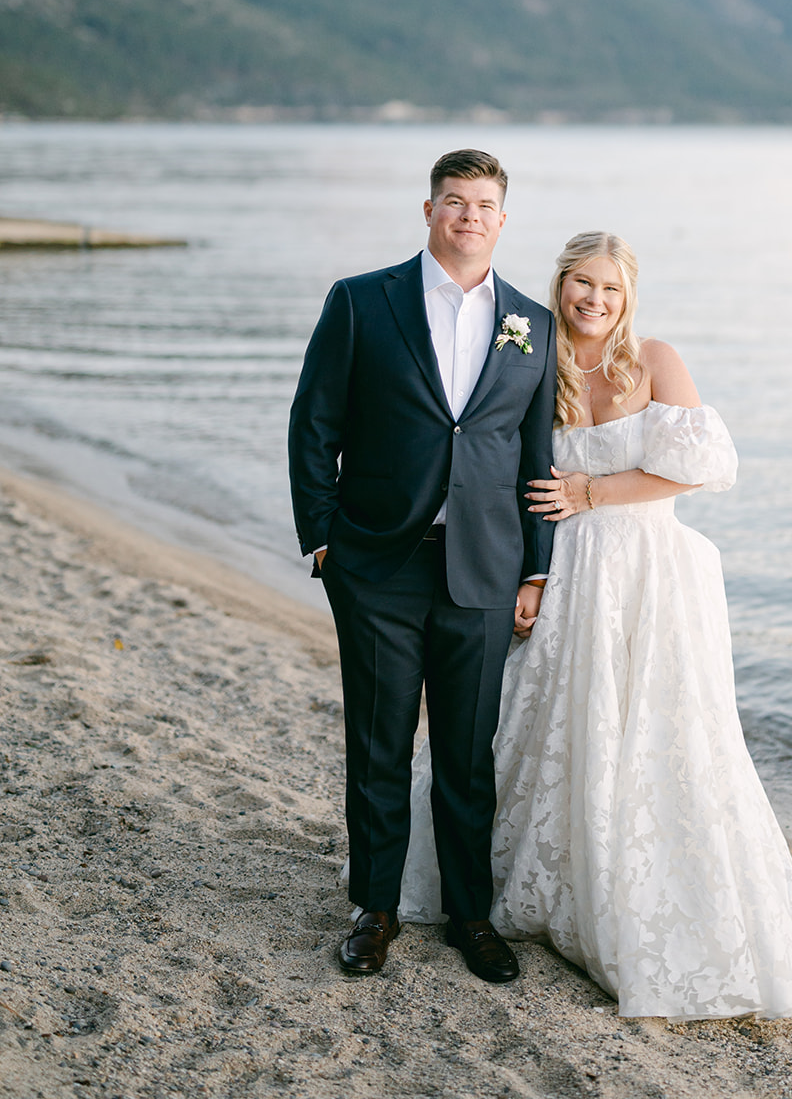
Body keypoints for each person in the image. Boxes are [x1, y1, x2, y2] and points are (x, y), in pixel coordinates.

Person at [399, 230, 792, 1018]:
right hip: (562, 572)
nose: (594, 301)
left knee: (659, 732)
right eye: (581, 285)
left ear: (629, 298)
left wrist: (593, 492)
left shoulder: (654, 360)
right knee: (542, 721)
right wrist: (524, 572)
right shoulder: (533, 358)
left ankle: (646, 893)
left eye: (610, 290)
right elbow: (496, 465)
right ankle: (515, 888)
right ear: (560, 288)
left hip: (648, 570)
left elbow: (701, 468)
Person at [288, 149, 556, 983]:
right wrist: (323, 539)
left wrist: (535, 571)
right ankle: (375, 908)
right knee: (378, 742)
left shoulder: (531, 324)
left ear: (502, 220)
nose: (469, 215)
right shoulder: (363, 301)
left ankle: (470, 915)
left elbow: (534, 458)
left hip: (484, 568)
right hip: (376, 563)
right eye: (454, 201)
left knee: (468, 753)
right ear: (430, 210)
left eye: (484, 204)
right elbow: (312, 424)